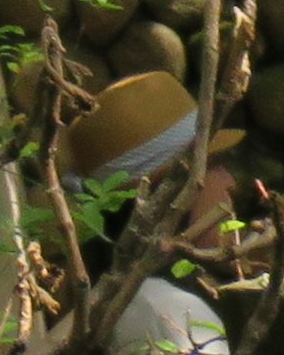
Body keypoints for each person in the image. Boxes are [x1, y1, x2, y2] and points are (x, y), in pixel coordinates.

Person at [62, 71, 247, 355]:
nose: (230, 181)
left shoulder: (128, 303)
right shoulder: (169, 315)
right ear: (172, 194)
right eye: (216, 164)